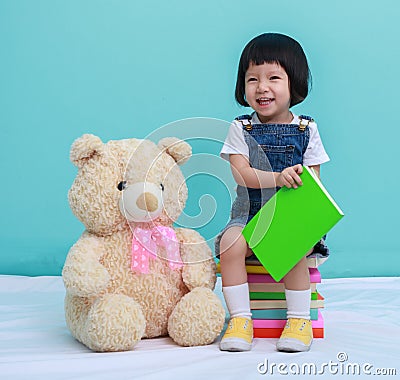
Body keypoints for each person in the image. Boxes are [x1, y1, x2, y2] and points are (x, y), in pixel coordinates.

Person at [215, 33, 330, 353]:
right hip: (249, 213)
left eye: (273, 78)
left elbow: (312, 184)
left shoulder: (307, 129)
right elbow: (241, 173)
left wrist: (298, 184)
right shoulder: (241, 128)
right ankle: (240, 319)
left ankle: (298, 320)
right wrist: (278, 178)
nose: (262, 87)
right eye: (252, 79)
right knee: (230, 243)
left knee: (291, 247)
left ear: (294, 83)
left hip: (287, 216)